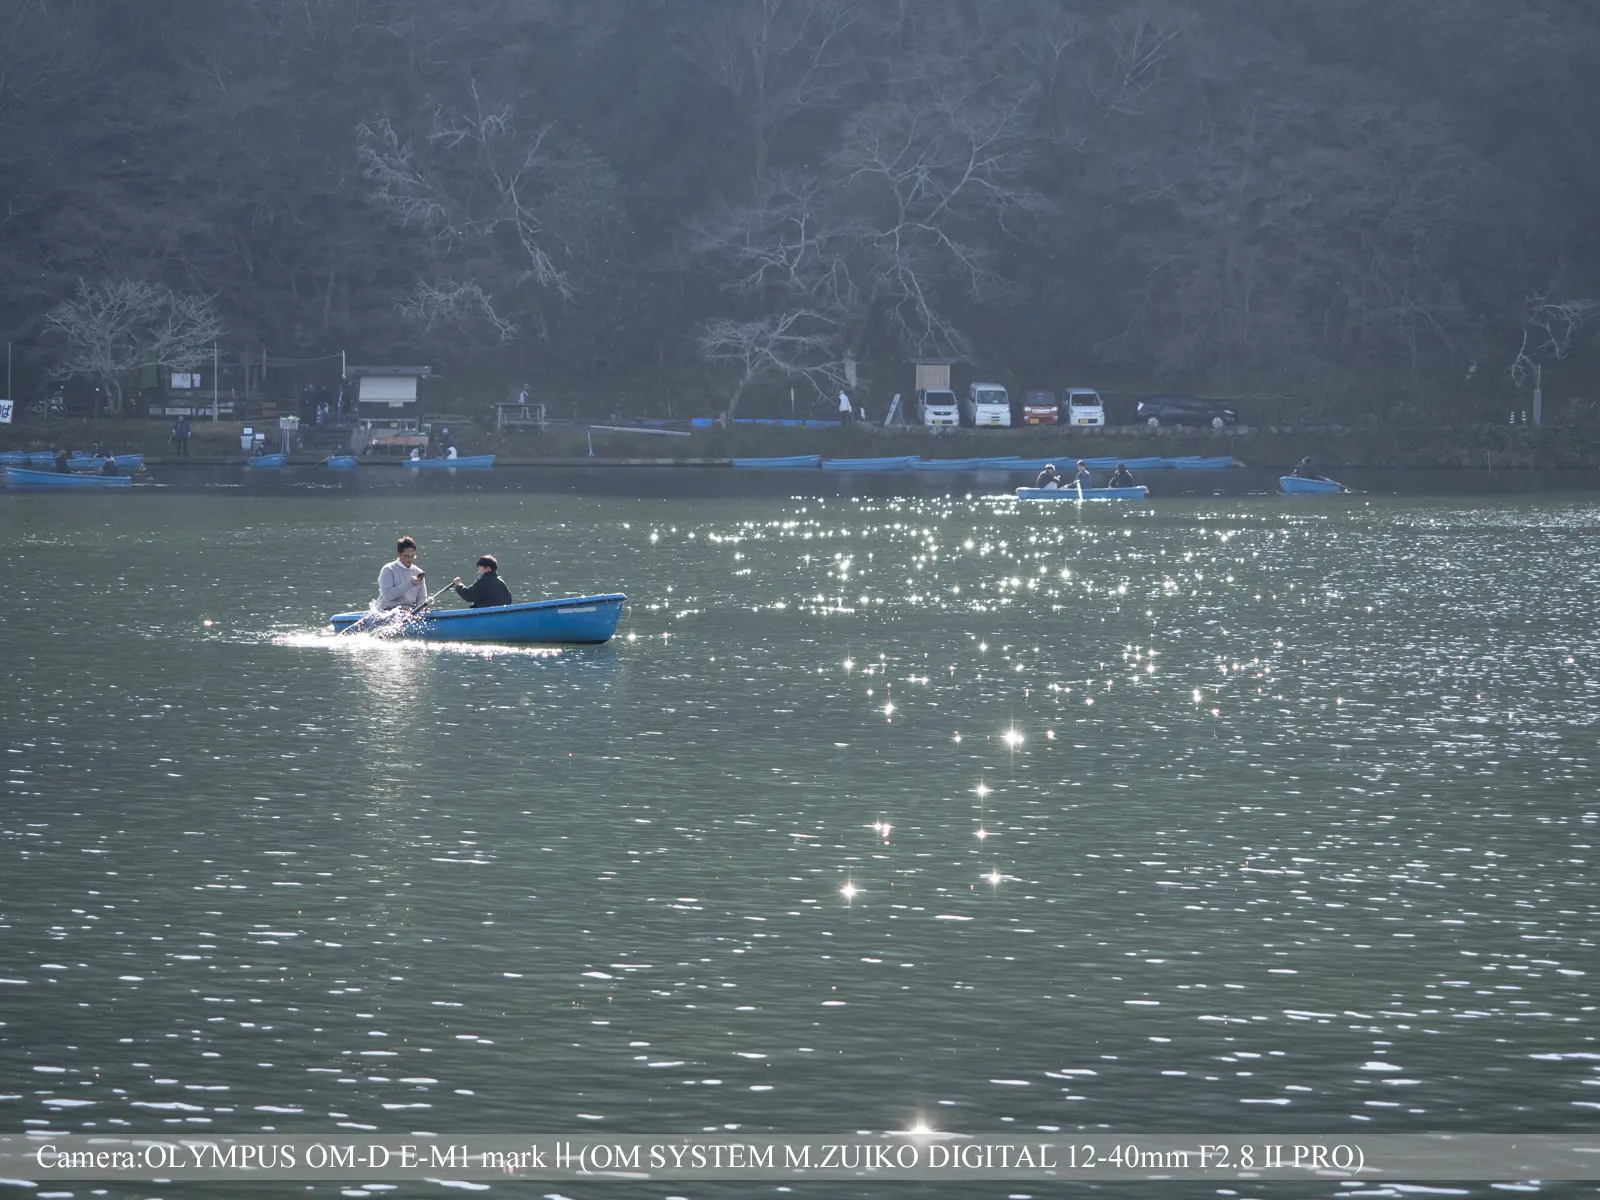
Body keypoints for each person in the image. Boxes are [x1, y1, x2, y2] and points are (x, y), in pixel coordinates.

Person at [378, 536, 428, 611]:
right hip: (388, 611)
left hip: (408, 612)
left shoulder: (418, 572)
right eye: (406, 556)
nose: (410, 559)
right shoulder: (388, 570)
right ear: (398, 554)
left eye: (412, 556)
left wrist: (420, 612)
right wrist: (410, 583)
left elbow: (422, 599)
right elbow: (387, 596)